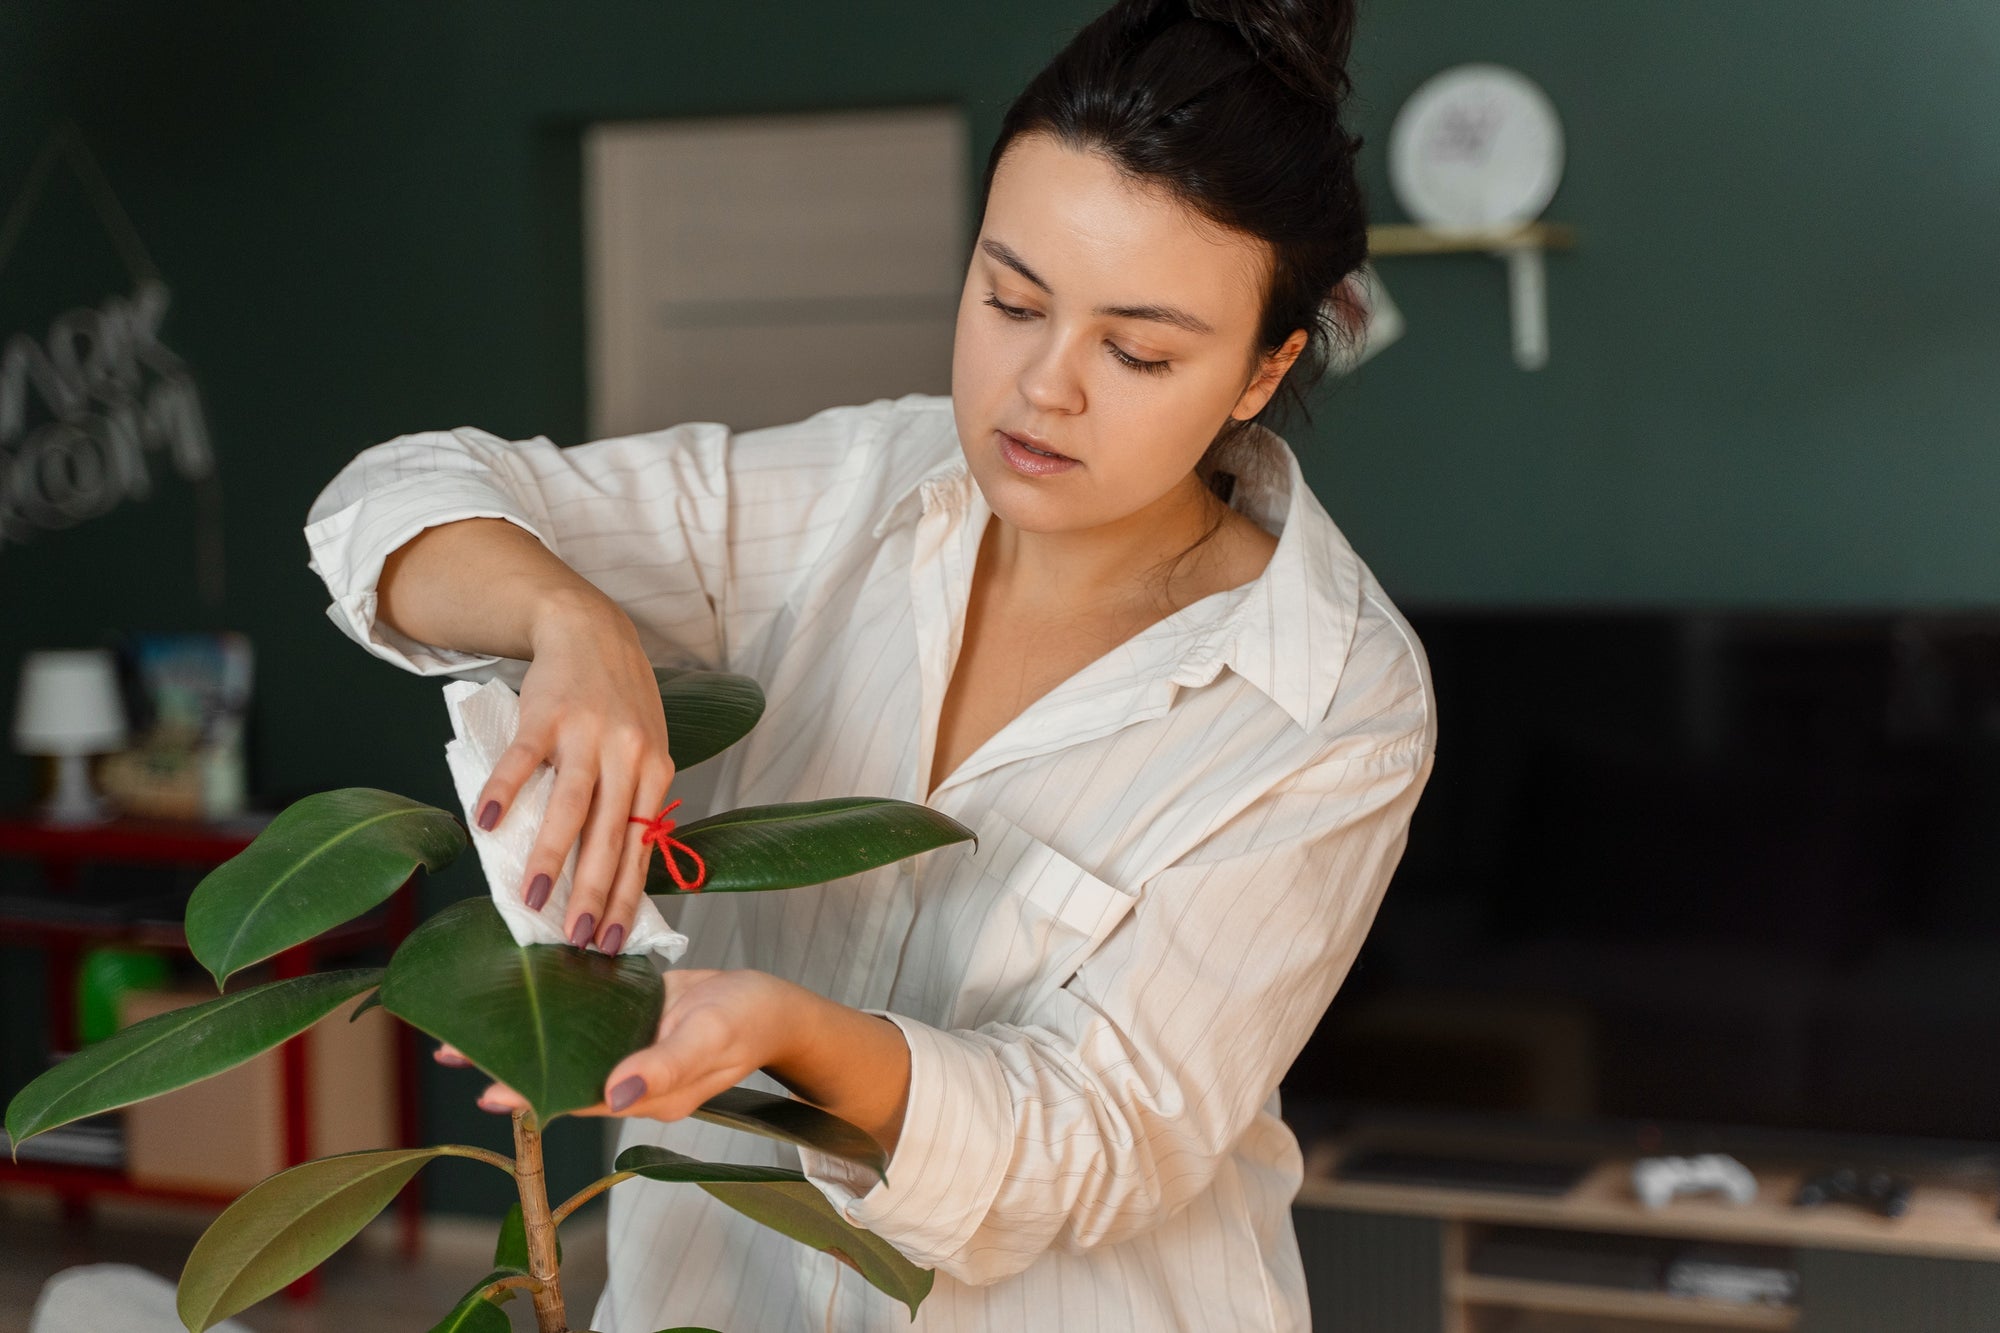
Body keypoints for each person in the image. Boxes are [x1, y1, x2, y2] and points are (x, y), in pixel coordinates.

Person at [303, 0, 1433, 1327]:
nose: (1043, 386)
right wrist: (574, 621)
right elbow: (385, 506)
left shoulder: (1332, 692)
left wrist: (782, 1033)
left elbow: (1106, 1129)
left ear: (1263, 369)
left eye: (1138, 351)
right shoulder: (855, 486)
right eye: (1010, 296)